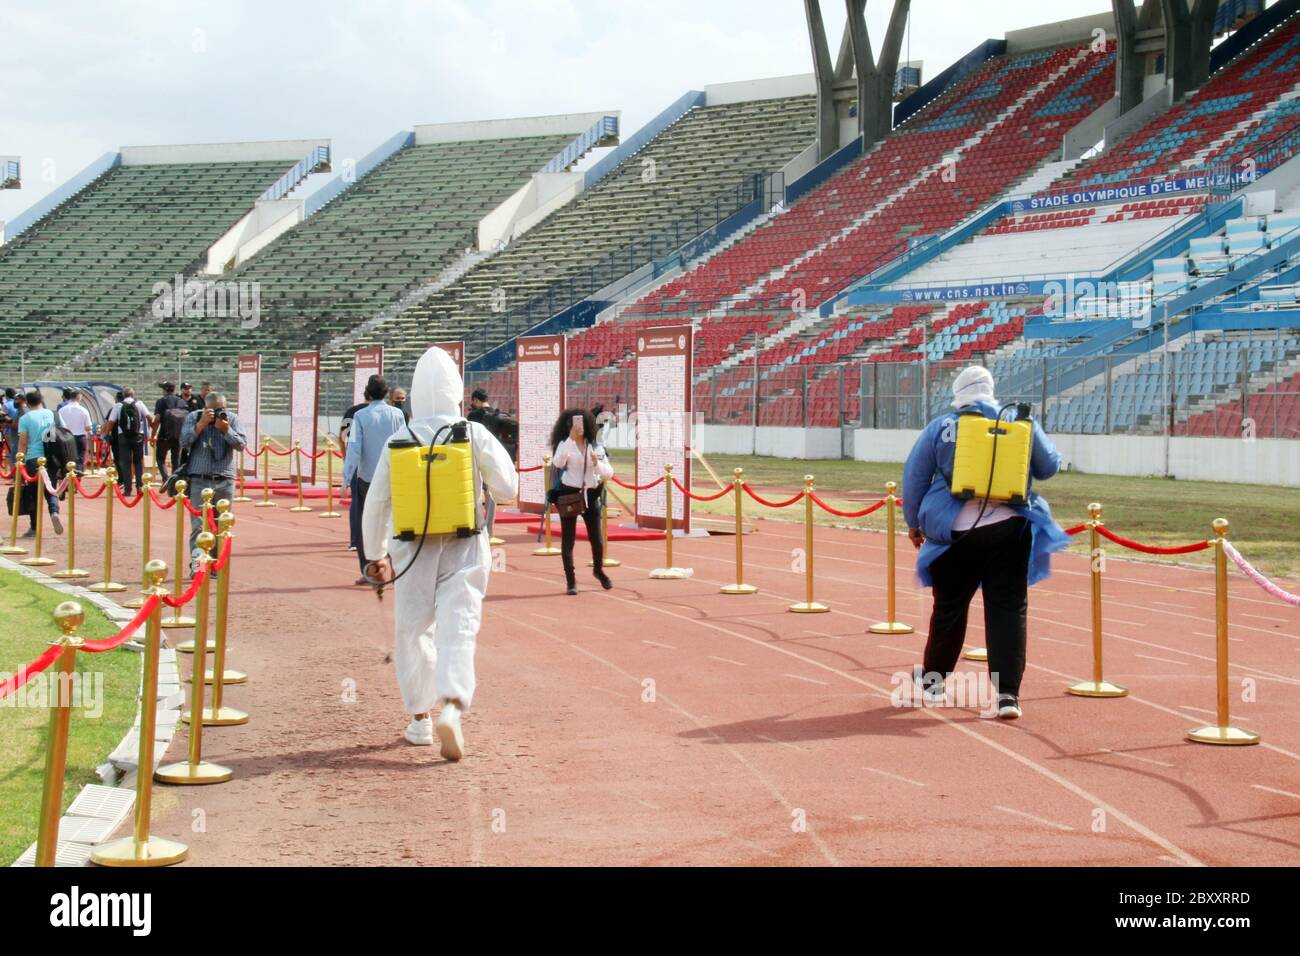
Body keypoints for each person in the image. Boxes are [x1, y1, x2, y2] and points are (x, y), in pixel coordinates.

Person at [362, 346, 517, 759]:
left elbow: (376, 502)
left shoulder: (401, 438)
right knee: (459, 625)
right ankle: (452, 702)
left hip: (412, 547)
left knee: (413, 631)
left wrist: (374, 554)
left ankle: (420, 719)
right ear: (455, 391)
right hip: (465, 544)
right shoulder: (473, 432)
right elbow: (508, 488)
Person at [901, 366, 1068, 720]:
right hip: (1010, 528)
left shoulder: (942, 426)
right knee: (1008, 608)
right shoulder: (1018, 422)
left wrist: (913, 523)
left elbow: (915, 476)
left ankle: (933, 681)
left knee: (949, 606)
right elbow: (1049, 466)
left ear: (959, 393)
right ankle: (1007, 695)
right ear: (992, 390)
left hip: (954, 531)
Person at [343, 375, 406, 584]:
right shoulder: (397, 414)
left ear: (367, 393)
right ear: (387, 393)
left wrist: (346, 477)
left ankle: (371, 570)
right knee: (395, 522)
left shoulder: (361, 416)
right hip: (394, 476)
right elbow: (405, 442)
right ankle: (397, 568)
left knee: (367, 524)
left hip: (368, 478)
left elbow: (354, 448)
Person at [180, 393, 248, 576]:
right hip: (199, 479)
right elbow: (184, 441)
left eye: (222, 408)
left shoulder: (232, 419)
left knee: (221, 525)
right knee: (199, 525)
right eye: (215, 409)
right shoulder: (194, 417)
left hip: (224, 479)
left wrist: (226, 430)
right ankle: (198, 564)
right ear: (205, 407)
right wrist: (201, 425)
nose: (219, 412)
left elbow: (242, 445)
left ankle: (216, 566)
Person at [549, 408, 613, 595]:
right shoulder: (564, 444)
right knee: (568, 540)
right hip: (569, 493)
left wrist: (596, 464)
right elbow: (558, 463)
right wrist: (570, 439)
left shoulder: (595, 446)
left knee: (597, 539)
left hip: (591, 494)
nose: (579, 428)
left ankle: (598, 570)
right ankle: (570, 580)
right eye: (574, 424)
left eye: (582, 424)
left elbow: (609, 472)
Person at [15, 390, 63, 537]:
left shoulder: (25, 418)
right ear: (41, 400)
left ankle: (35, 527)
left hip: (33, 457)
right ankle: (54, 511)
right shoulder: (51, 414)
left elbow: (23, 442)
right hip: (51, 457)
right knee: (51, 488)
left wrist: (19, 459)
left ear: (27, 403)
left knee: (33, 493)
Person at [104, 387, 148, 495]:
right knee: (138, 462)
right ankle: (139, 486)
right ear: (133, 395)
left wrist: (107, 433)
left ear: (123, 395)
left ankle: (128, 489)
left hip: (123, 436)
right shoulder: (140, 404)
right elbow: (149, 417)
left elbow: (111, 422)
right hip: (138, 435)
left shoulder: (118, 406)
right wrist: (152, 429)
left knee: (125, 463)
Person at [151, 382, 188, 483]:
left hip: (165, 435)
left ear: (165, 390)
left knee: (160, 458)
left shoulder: (161, 401)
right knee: (176, 459)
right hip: (179, 435)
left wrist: (153, 434)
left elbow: (157, 419)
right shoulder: (182, 401)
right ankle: (174, 481)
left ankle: (165, 478)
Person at [57, 390, 93, 474]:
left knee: (66, 458)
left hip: (66, 437)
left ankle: (66, 480)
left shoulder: (62, 410)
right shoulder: (83, 410)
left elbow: (58, 425)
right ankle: (77, 479)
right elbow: (88, 427)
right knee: (79, 458)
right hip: (80, 437)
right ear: (79, 397)